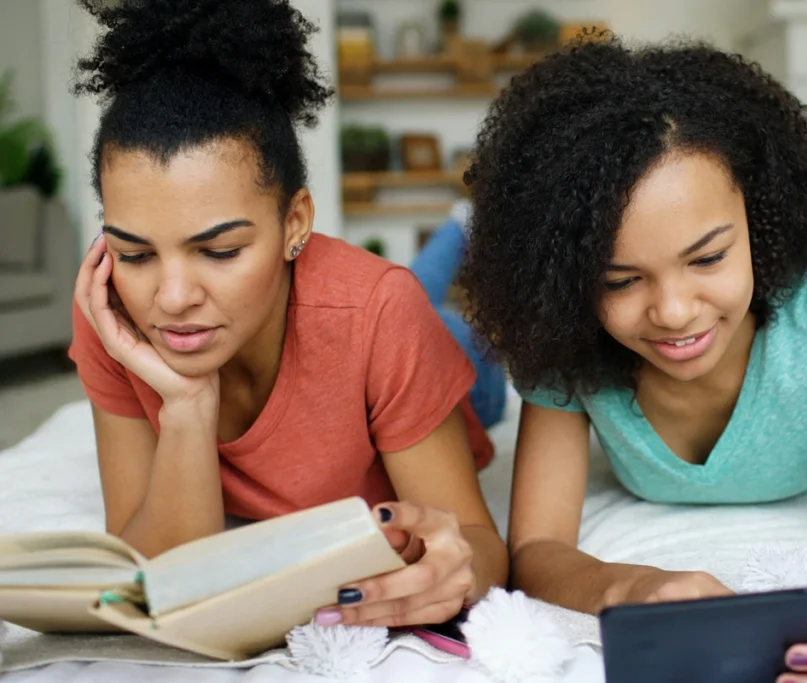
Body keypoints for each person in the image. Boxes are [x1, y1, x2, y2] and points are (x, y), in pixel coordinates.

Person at [459, 36, 807, 681]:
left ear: (760, 220)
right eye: (620, 282)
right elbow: (538, 548)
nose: (674, 312)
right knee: (453, 352)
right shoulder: (561, 331)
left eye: (707, 259)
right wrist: (627, 587)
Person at [68, 0, 507, 629]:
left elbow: (476, 542)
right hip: (353, 301)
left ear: (294, 222)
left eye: (219, 251)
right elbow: (156, 568)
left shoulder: (378, 310)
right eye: (134, 252)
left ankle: (461, 229)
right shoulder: (111, 307)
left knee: (427, 305)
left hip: (431, 346)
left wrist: (458, 570)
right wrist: (187, 407)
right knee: (400, 287)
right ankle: (447, 241)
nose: (170, 299)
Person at [409, 202, 507, 430]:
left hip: (460, 363)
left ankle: (457, 229)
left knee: (409, 294)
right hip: (480, 385)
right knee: (413, 296)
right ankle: (457, 229)